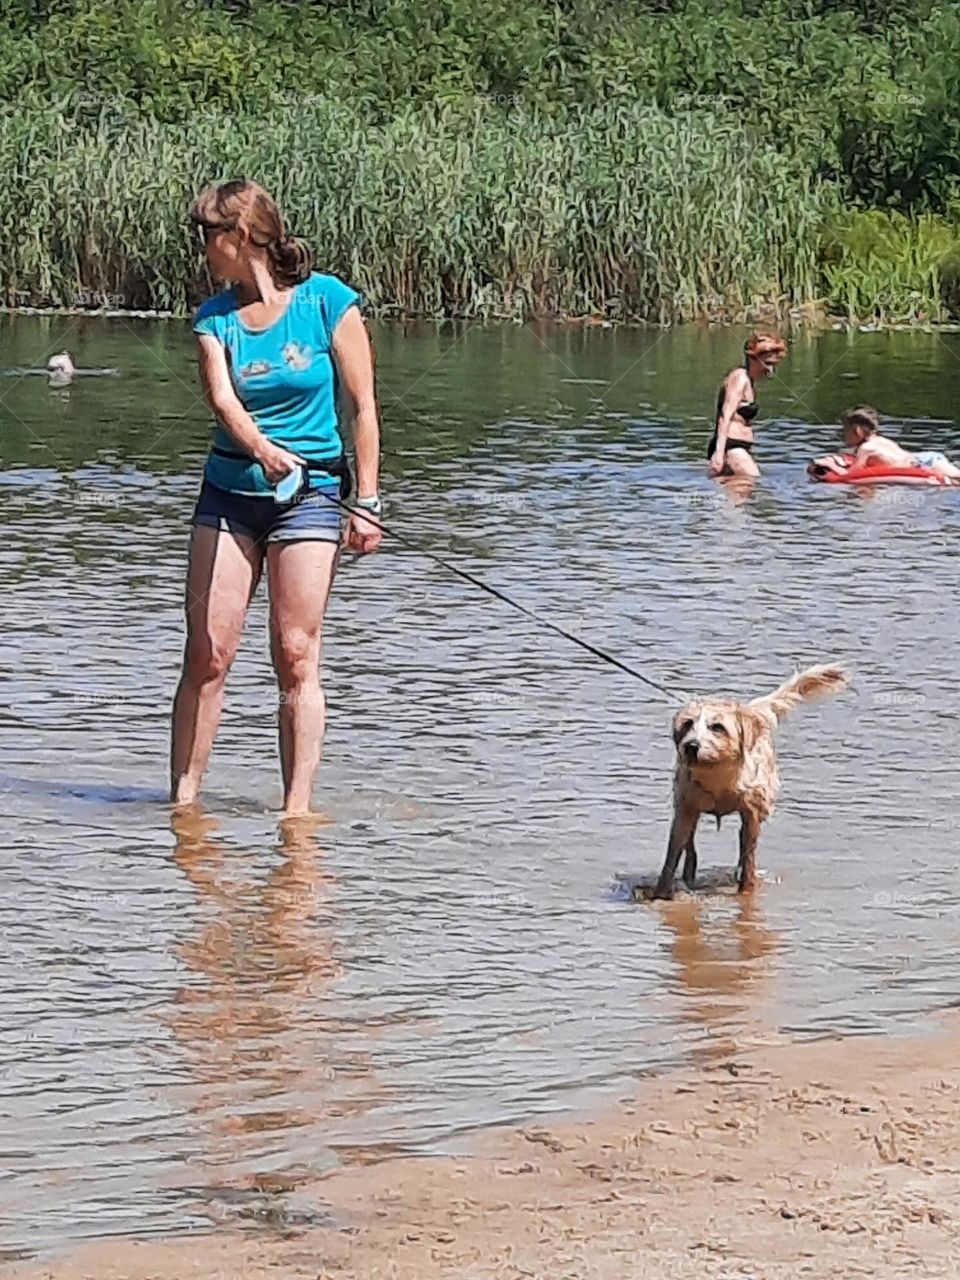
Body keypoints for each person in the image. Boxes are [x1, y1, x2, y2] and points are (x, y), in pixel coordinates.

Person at [170, 178, 382, 815]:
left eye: (210, 235)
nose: (204, 247)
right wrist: (264, 452)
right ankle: (183, 806)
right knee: (209, 651)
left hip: (313, 497)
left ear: (239, 238)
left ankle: (296, 813)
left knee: (295, 653)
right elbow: (222, 399)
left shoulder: (328, 302)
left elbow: (364, 406)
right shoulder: (214, 319)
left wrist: (367, 499)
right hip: (231, 493)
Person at [708, 333, 788, 478]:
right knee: (753, 479)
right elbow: (725, 417)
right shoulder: (740, 377)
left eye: (774, 364)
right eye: (768, 363)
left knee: (738, 496)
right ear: (753, 358)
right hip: (730, 447)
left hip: (739, 447)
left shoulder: (750, 383)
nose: (771, 370)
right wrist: (719, 454)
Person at [809, 405, 960, 480]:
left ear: (857, 431)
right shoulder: (880, 440)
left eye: (845, 430)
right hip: (928, 457)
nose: (843, 434)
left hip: (922, 464)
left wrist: (829, 465)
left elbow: (849, 475)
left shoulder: (866, 449)